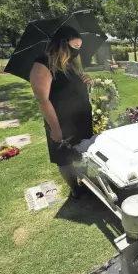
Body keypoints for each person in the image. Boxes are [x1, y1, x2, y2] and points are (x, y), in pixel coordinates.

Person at [29, 26, 94, 199]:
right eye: (74, 46)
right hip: (61, 121)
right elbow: (43, 99)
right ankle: (75, 188)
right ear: (62, 44)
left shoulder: (69, 65)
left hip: (80, 119)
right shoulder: (42, 64)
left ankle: (86, 182)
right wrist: (56, 129)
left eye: (79, 47)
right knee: (64, 158)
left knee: (83, 152)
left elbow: (70, 87)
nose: (76, 51)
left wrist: (86, 81)